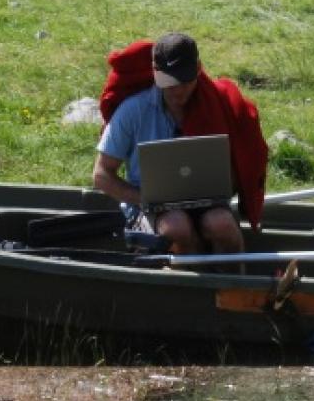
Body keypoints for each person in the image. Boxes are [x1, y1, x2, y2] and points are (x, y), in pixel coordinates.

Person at [91, 33, 268, 257]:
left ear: (198, 69)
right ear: (155, 73)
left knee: (222, 225)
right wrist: (145, 199)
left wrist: (223, 186)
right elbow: (101, 174)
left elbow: (240, 169)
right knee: (176, 228)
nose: (178, 91)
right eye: (169, 83)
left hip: (207, 202)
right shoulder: (132, 111)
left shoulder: (217, 105)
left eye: (186, 81)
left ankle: (234, 288)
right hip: (149, 207)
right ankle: (189, 289)